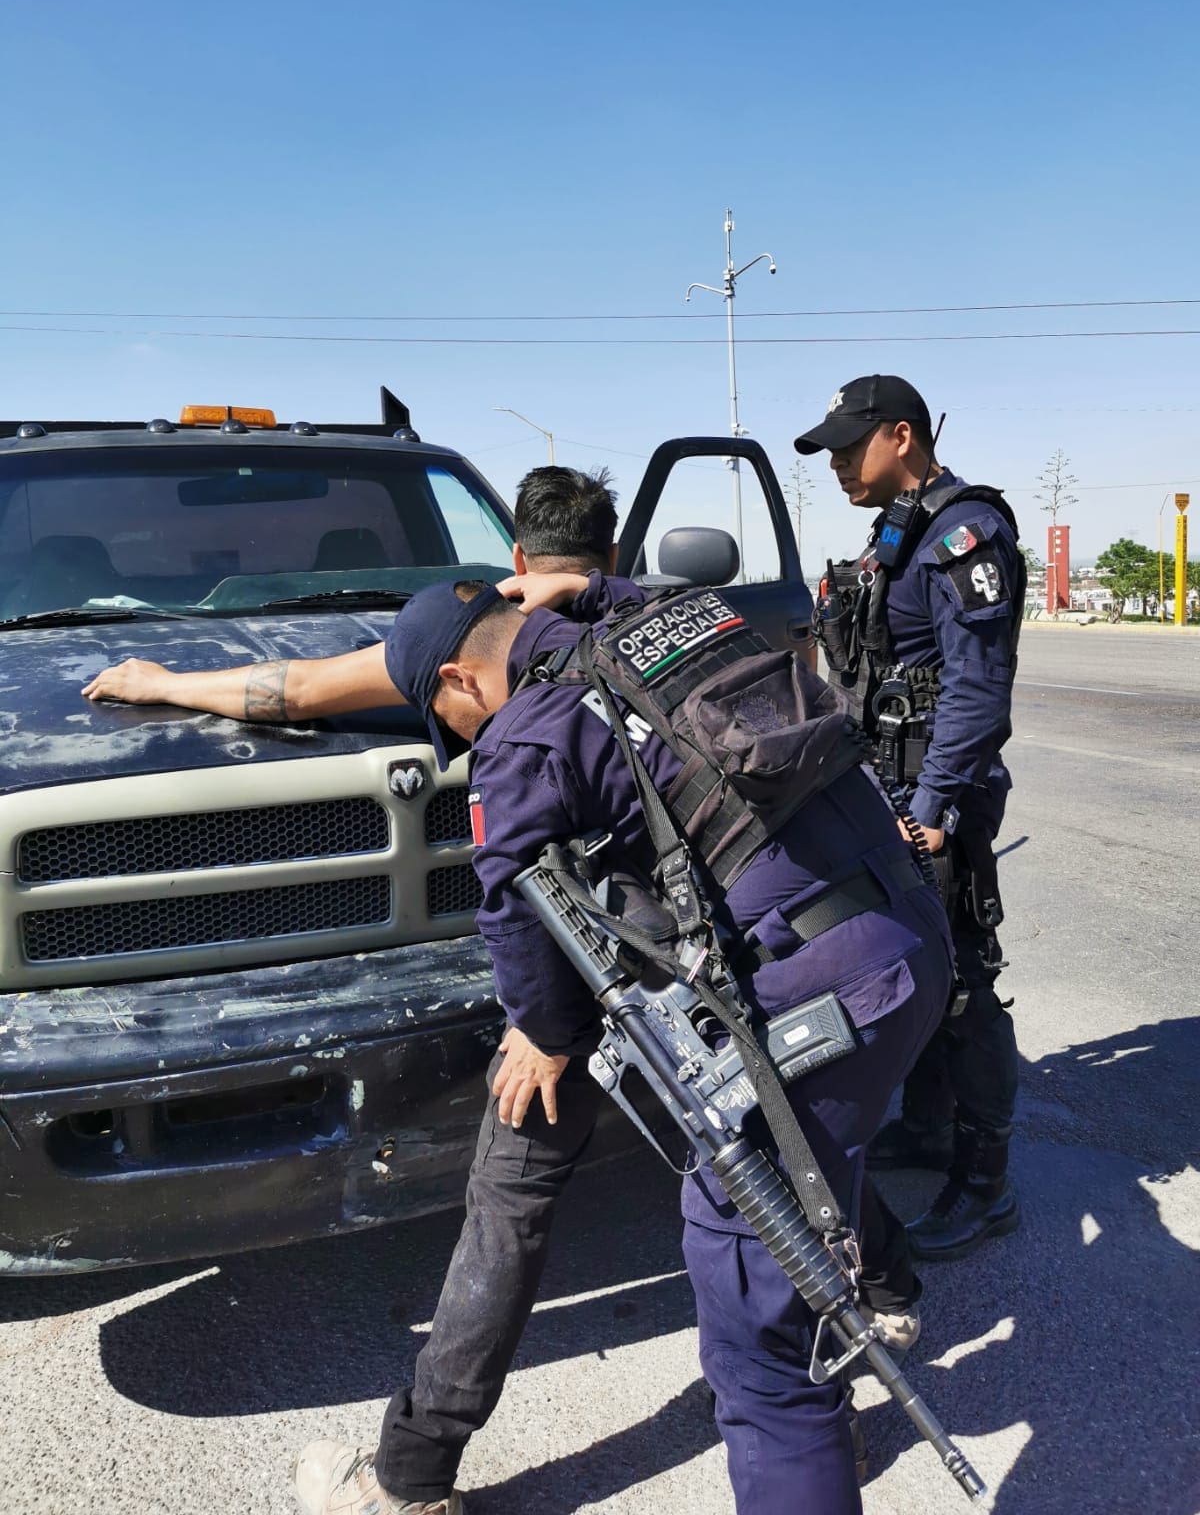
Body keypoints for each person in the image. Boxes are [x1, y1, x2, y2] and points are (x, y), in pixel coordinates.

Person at [82, 465, 928, 1510]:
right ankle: (884, 1292)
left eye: (456, 725)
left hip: (765, 980)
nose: (468, 745)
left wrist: (542, 1032)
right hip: (893, 930)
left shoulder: (522, 736)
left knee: (745, 1312)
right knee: (802, 1148)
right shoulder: (670, 612)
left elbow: (505, 904)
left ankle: (419, 1474)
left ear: (462, 684)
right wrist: (577, 594)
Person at [795, 374, 1026, 1263]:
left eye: (851, 449)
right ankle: (929, 1128)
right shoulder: (899, 530)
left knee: (963, 983)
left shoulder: (968, 533)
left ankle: (986, 1182)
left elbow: (977, 688)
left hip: (938, 796)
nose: (839, 466)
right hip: (888, 788)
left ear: (903, 436)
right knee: (918, 966)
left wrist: (933, 808)